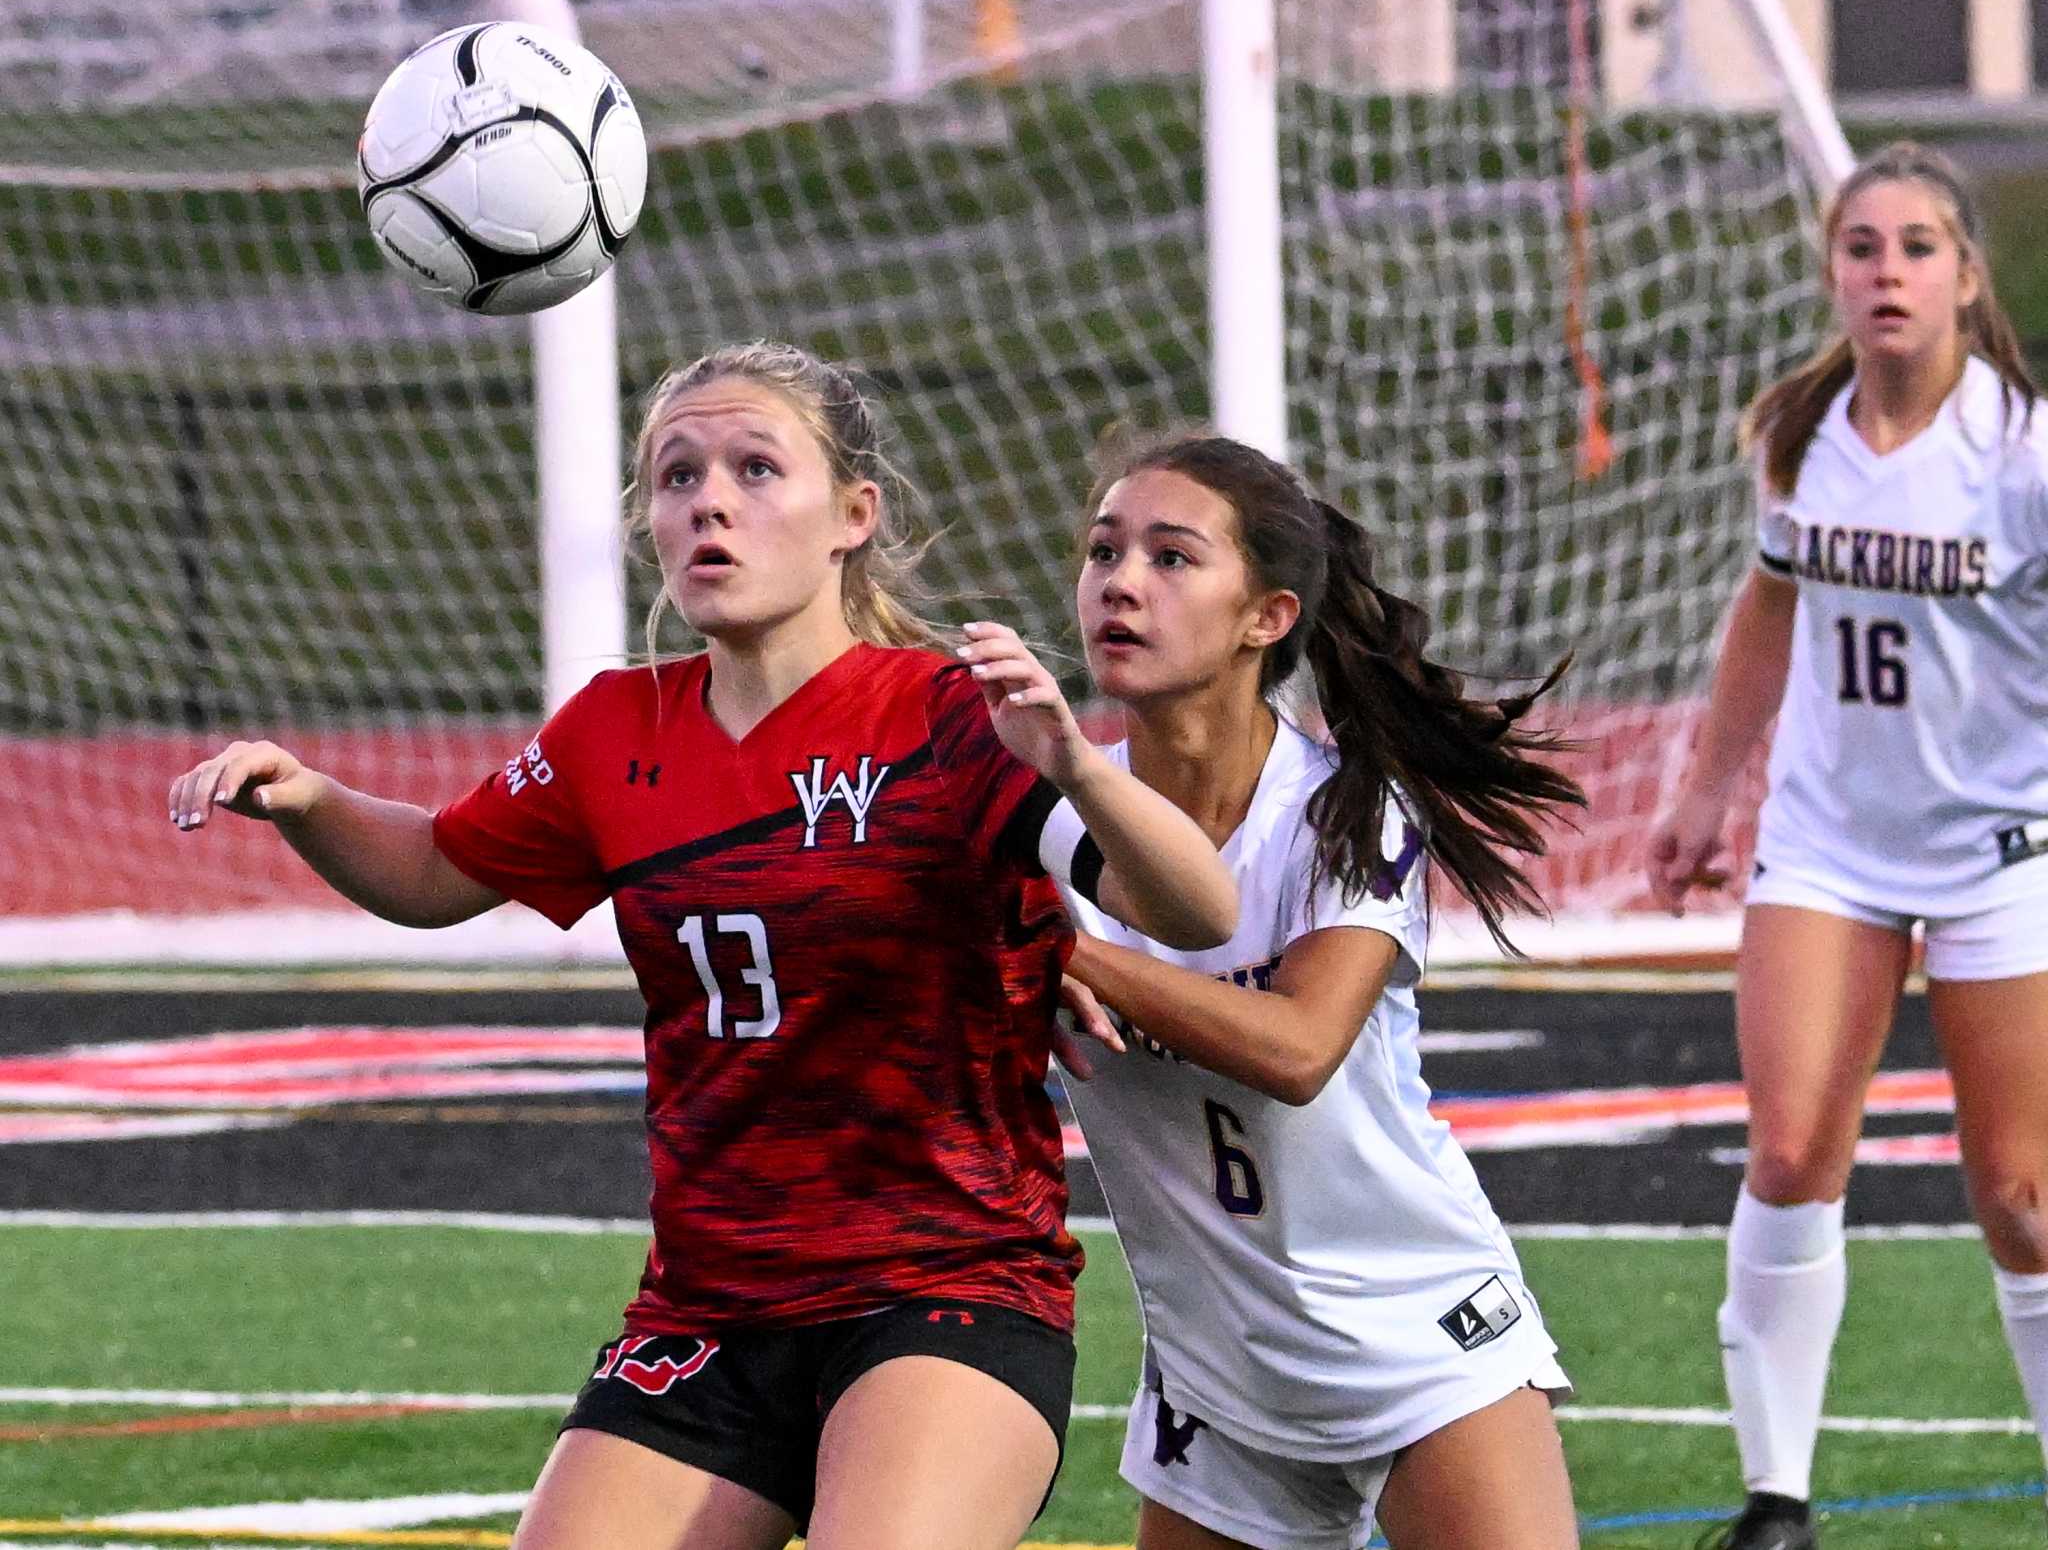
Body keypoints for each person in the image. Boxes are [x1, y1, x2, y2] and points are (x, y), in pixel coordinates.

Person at [165, 341, 1238, 1550]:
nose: (709, 501)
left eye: (753, 468)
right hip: (710, 1307)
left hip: (943, 1296)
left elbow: (1196, 911)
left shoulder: (942, 717)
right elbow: (429, 873)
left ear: (851, 515)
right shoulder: (613, 730)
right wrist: (306, 798)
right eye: (677, 477)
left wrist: (1077, 768)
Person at [1046, 431, 1585, 1550]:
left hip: (1418, 1336)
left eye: (1170, 556)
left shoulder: (1346, 810)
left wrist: (1067, 956)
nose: (1121, 581)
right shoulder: (1046, 826)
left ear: (1267, 616)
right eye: (1104, 551)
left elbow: (1296, 1051)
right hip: (1218, 1370)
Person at [1646, 141, 2048, 1550]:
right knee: (1793, 1142)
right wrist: (1707, 783)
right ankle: (1777, 1502)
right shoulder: (1799, 431)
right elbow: (1770, 603)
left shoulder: (2025, 455)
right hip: (1828, 842)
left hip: (2004, 842)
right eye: (1863, 246)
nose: (1888, 271)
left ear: (1966, 276)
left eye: (1918, 246)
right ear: (1833, 271)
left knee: (2024, 1196)